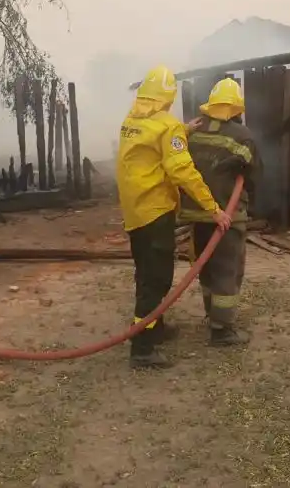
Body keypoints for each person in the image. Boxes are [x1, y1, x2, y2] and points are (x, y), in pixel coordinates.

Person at [116, 65, 232, 369]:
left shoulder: (132, 121)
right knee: (157, 279)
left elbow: (155, 142)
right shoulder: (166, 127)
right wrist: (214, 208)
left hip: (134, 211)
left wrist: (185, 130)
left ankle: (156, 326)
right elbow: (184, 171)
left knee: (145, 272)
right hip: (156, 212)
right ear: (168, 96)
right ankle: (142, 349)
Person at [179, 77, 262, 347]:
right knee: (227, 270)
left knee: (206, 267)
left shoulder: (194, 130)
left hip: (196, 213)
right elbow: (254, 172)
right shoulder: (242, 135)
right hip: (226, 215)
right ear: (237, 108)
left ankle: (211, 313)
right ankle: (222, 330)